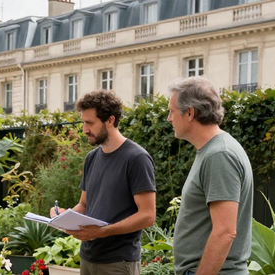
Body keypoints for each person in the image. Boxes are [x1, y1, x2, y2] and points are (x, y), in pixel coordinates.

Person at [50, 90, 156, 275]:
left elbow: (148, 215)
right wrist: (63, 217)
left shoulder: (136, 158)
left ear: (110, 120)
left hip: (118, 262)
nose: (85, 129)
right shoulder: (92, 158)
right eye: (83, 122)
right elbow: (84, 205)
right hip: (88, 258)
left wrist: (102, 231)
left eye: (90, 123)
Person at [167, 77, 253, 275]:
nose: (169, 118)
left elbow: (225, 231)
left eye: (171, 111)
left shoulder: (219, 155)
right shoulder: (212, 151)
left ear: (190, 113)